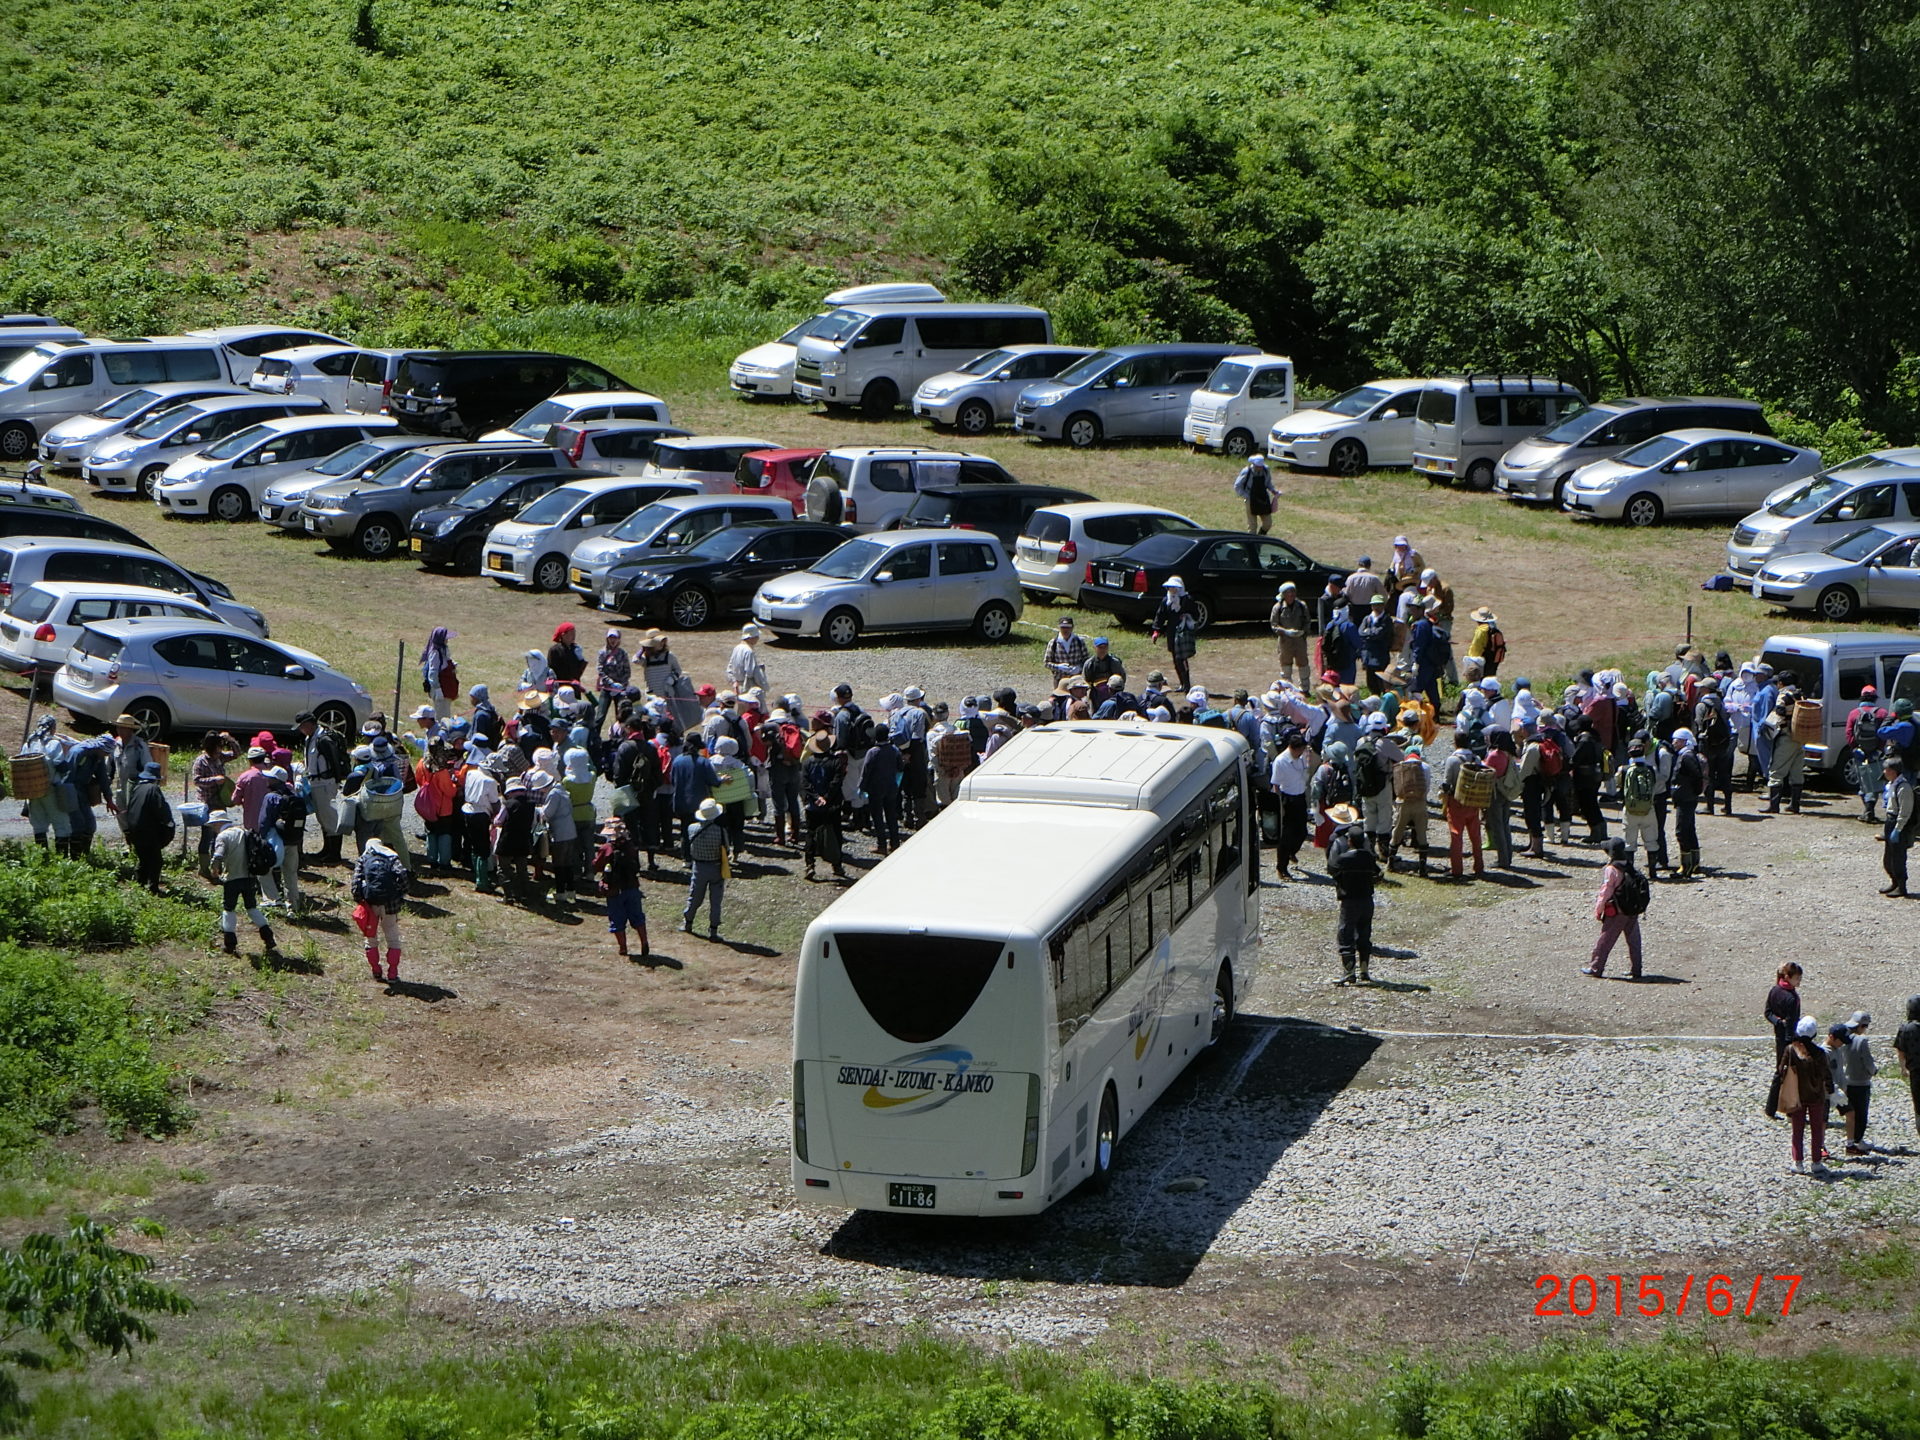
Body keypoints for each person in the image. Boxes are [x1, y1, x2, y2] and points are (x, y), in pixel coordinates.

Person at [211, 810, 277, 958]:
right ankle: (268, 936)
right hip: (249, 877)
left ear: (218, 823)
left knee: (229, 909)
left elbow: (218, 855)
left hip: (232, 879)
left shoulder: (223, 836)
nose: (212, 829)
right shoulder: (244, 831)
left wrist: (214, 868)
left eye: (213, 825)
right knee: (252, 908)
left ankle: (230, 944)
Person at [1325, 805, 1378, 985]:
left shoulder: (1341, 856)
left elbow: (1332, 869)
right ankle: (1364, 971)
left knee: (1346, 935)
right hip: (1367, 899)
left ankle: (1349, 973)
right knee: (1364, 935)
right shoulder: (1369, 858)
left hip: (1349, 900)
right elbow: (1377, 874)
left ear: (1350, 841)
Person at [1582, 838, 1647, 979]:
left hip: (1617, 912)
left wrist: (1598, 909)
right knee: (1634, 940)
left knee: (1605, 940)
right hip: (1632, 910)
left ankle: (1595, 968)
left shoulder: (1611, 869)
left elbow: (1606, 891)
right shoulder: (1629, 866)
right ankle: (1637, 970)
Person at [350, 834, 410, 983]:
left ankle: (376, 970)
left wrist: (360, 899)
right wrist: (401, 892)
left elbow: (356, 881)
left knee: (370, 938)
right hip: (390, 903)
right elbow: (402, 874)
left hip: (371, 902)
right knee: (393, 937)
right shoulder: (391, 856)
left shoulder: (364, 858)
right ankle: (392, 973)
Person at [1777, 1016, 1833, 1175]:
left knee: (1797, 1130)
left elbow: (1781, 1071)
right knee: (1816, 1130)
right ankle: (1816, 1161)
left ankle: (1798, 1162)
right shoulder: (1820, 1053)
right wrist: (1831, 1090)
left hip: (1797, 1095)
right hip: (1816, 1096)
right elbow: (1826, 1074)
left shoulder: (1790, 1050)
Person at [591, 819, 649, 959]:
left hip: (614, 890)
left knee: (617, 919)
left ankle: (623, 948)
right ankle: (644, 941)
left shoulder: (606, 848)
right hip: (632, 887)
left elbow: (596, 866)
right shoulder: (631, 847)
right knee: (637, 917)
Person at [802, 724, 848, 882]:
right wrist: (826, 797)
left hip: (813, 806)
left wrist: (816, 797)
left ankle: (809, 865)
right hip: (831, 805)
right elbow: (836, 782)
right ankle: (837, 864)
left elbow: (806, 783)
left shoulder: (808, 763)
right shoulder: (836, 762)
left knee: (810, 833)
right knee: (835, 833)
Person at [122, 760, 175, 894]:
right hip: (147, 831)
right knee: (156, 860)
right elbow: (161, 809)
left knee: (144, 858)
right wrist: (169, 824)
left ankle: (139, 885)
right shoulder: (153, 789)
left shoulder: (137, 788)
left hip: (134, 829)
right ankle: (153, 888)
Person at [1442, 740, 1492, 881]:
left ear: (1455, 744)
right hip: (1473, 801)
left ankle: (1457, 869)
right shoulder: (1475, 758)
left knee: (1456, 835)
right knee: (1475, 836)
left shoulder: (1452, 760)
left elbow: (1447, 783)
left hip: (1457, 801)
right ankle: (1479, 866)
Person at [683, 796, 731, 939]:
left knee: (695, 896)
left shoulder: (691, 828)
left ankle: (688, 923)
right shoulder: (721, 831)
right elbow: (727, 849)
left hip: (699, 867)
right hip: (716, 867)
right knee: (715, 900)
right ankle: (713, 930)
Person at [1267, 730, 1312, 878]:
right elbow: (1275, 784)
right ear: (1294, 748)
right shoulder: (1281, 761)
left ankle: (1292, 852)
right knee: (1286, 835)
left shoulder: (1301, 758)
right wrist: (1279, 804)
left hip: (1300, 797)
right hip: (1287, 799)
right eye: (1301, 749)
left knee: (1302, 832)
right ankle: (1282, 868)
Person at [461, 740, 503, 892]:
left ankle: (476, 874)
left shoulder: (472, 773)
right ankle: (482, 881)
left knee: (473, 845)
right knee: (483, 848)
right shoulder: (490, 781)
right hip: (480, 814)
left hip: (467, 809)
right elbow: (494, 801)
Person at [1836, 1012, 1879, 1155]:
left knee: (1851, 1112)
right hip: (1861, 1081)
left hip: (1847, 1081)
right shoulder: (1862, 1041)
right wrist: (1873, 1071)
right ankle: (1858, 1141)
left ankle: (1851, 1139)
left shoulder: (1844, 1039)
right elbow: (1868, 1062)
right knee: (1862, 1113)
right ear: (1862, 1026)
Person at [491, 776, 539, 902]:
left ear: (511, 791)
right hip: (523, 840)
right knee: (522, 869)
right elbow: (533, 823)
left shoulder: (507, 804)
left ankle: (508, 895)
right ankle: (524, 894)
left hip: (508, 840)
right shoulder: (531, 805)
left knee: (504, 868)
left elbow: (498, 821)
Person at [1847, 685, 1890, 821]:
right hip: (1876, 752)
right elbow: (1884, 734)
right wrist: (1878, 749)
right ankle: (1870, 810)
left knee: (1863, 780)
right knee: (1875, 780)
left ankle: (1867, 810)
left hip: (1859, 751)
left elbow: (1848, 733)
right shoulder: (1882, 713)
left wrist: (1855, 748)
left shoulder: (1854, 713)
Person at [1150, 579, 1199, 691]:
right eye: (1169, 587)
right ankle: (1182, 683)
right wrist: (1156, 631)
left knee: (1182, 658)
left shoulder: (1187, 600)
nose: (1171, 589)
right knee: (1176, 659)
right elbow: (1160, 615)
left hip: (1183, 632)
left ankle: (1186, 684)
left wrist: (1186, 616)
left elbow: (1196, 614)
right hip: (1172, 632)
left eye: (1174, 587)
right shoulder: (1166, 601)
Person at [669, 734, 719, 844]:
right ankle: (699, 854)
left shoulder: (677, 760)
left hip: (681, 802)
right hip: (699, 803)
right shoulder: (703, 762)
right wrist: (722, 780)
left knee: (685, 830)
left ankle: (686, 857)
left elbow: (672, 780)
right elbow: (714, 782)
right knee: (700, 831)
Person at [1670, 727, 1705, 878]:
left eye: (1676, 740)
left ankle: (1686, 866)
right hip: (1687, 797)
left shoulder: (1687, 757)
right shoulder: (1686, 755)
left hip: (1686, 797)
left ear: (1685, 741)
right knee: (1689, 829)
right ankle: (1694, 863)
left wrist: (1692, 791)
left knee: (1682, 831)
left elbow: (1697, 776)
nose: (1674, 742)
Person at [109, 712, 153, 828]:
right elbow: (109, 766)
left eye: (123, 728)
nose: (120, 730)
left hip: (135, 786)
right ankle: (128, 839)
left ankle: (136, 841)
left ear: (130, 730)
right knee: (121, 814)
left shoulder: (140, 745)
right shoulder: (115, 744)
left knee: (135, 815)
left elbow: (148, 766)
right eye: (118, 727)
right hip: (120, 786)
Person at [1881, 756, 1915, 897]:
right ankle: (1894, 882)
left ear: (1894, 771)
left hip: (1899, 824)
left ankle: (1901, 886)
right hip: (1890, 821)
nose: (1884, 772)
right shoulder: (1893, 784)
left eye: (1887, 769)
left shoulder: (1904, 787)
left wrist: (1897, 829)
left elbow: (1904, 811)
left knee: (1898, 857)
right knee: (1888, 858)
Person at [1267, 583, 1310, 688]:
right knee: (1286, 665)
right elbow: (1274, 625)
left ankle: (1304, 688)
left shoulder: (1301, 606)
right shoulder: (1278, 607)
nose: (1291, 594)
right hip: (1285, 641)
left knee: (1303, 663)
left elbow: (1307, 621)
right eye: (1288, 592)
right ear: (1283, 594)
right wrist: (1285, 631)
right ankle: (1287, 688)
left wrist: (1303, 632)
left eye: (1293, 591)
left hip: (1299, 640)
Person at [593, 629, 632, 742]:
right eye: (610, 638)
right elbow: (600, 670)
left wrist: (621, 685)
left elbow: (627, 671)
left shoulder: (622, 653)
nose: (612, 640)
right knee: (600, 715)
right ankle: (595, 737)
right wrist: (610, 683)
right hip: (606, 688)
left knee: (621, 714)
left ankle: (620, 737)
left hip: (620, 690)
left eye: (615, 638)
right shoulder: (602, 653)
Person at [1765, 962, 1804, 1062]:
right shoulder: (1791, 998)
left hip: (1779, 1034)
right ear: (1787, 977)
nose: (1799, 981)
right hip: (1789, 1038)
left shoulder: (1774, 990)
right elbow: (1790, 1022)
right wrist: (1790, 1043)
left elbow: (1768, 1013)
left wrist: (1777, 1022)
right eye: (1797, 978)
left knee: (1780, 1065)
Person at [1357, 594, 1394, 695]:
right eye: (1374, 605)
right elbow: (1360, 632)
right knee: (1371, 683)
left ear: (1383, 606)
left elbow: (1378, 633)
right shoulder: (1367, 618)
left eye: (1379, 605)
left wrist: (1367, 632)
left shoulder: (1386, 619)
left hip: (1380, 657)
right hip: (1368, 657)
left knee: (1382, 683)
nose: (1376, 607)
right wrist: (1370, 633)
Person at [419, 626, 458, 721]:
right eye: (445, 638)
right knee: (442, 718)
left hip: (446, 689)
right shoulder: (435, 653)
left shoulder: (443, 650)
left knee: (445, 715)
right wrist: (437, 689)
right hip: (441, 690)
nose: (447, 640)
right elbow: (433, 672)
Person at [1895, 995, 1920, 1140]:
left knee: (1919, 1106)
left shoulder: (1905, 1028)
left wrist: (1903, 1068)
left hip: (1916, 1072)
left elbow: (1900, 1050)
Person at [1234, 452, 1277, 533]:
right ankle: (1252, 543)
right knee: (1252, 525)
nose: (1259, 468)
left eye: (1261, 466)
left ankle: (1261, 537)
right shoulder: (1247, 471)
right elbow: (1237, 486)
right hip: (1250, 499)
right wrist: (1246, 496)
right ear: (1253, 464)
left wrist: (1273, 490)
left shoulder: (1266, 470)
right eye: (1258, 466)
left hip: (1263, 498)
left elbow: (1268, 483)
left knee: (1268, 523)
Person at [1083, 635, 1126, 707]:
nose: (1102, 650)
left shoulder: (1114, 662)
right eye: (1100, 647)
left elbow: (1122, 678)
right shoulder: (1089, 663)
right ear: (1094, 648)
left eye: (1105, 647)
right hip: (1096, 694)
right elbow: (1085, 680)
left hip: (1112, 693)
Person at [1464, 607, 1504, 681]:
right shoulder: (1493, 628)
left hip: (1483, 659)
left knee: (1479, 679)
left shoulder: (1481, 630)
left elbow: (1476, 647)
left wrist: (1471, 660)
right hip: (1493, 659)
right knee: (1490, 678)